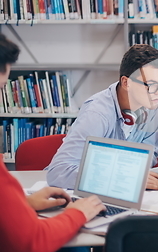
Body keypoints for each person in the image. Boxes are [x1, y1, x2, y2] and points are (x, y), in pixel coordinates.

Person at [0, 33, 105, 252]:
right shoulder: (96, 109)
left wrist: (23, 205)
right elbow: (33, 242)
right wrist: (79, 213)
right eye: (1, 87)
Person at [47, 44, 158, 190]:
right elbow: (58, 172)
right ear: (126, 82)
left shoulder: (151, 105)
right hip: (79, 193)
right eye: (151, 85)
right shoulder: (97, 114)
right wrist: (126, 176)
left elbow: (151, 154)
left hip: (120, 190)